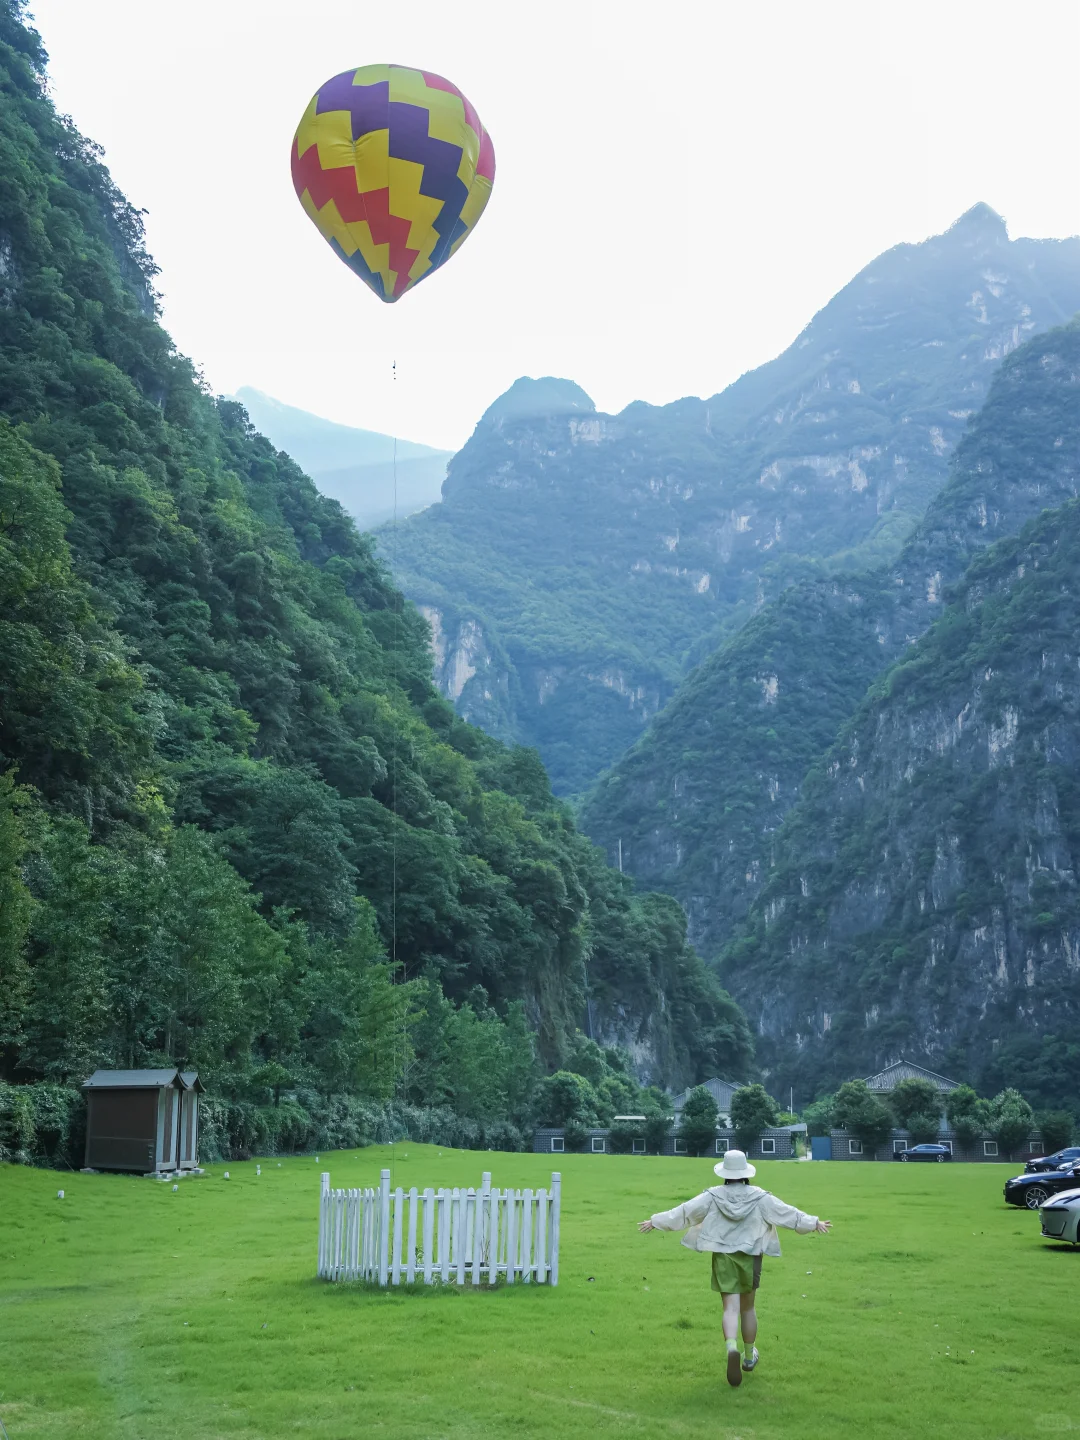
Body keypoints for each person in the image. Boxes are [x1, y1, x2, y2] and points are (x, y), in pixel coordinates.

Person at [638, 1148, 832, 1388]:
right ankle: (749, 1357)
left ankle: (732, 1347)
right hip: (751, 1256)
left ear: (725, 1173)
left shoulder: (712, 1195)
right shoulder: (760, 1196)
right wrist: (813, 1223)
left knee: (730, 1308)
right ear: (745, 1172)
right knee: (748, 1308)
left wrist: (655, 1221)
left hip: (723, 1256)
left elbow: (685, 1212)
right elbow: (786, 1212)